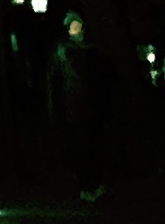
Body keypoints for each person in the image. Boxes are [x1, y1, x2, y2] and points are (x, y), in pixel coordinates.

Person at [46, 11, 123, 204]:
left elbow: (104, 79)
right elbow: (53, 82)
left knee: (94, 146)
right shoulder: (62, 50)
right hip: (74, 107)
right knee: (81, 148)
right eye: (72, 25)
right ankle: (85, 186)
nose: (75, 28)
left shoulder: (93, 50)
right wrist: (55, 109)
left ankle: (95, 185)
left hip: (92, 106)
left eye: (77, 24)